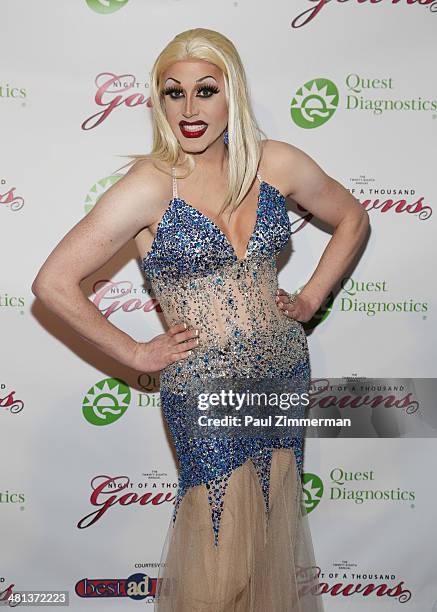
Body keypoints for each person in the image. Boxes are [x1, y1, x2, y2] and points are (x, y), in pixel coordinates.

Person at [32, 28, 369, 612]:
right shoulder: (148, 186)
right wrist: (136, 354)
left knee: (267, 535)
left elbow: (353, 219)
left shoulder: (277, 162)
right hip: (205, 385)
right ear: (159, 103)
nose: (189, 109)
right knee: (217, 551)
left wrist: (311, 298)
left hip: (284, 371)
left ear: (231, 93)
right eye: (173, 93)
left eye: (205, 90)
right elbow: (53, 284)